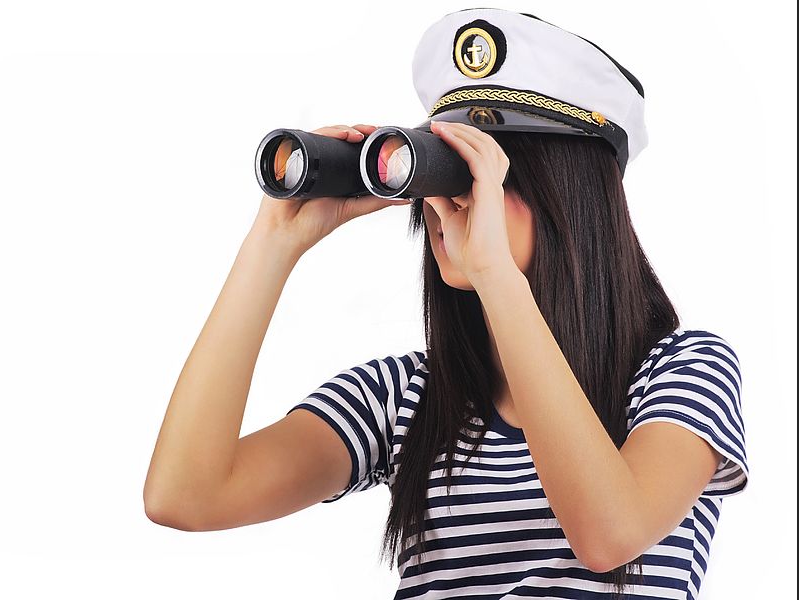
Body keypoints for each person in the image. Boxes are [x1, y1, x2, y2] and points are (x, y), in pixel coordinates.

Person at [143, 8, 749, 600]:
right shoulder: (408, 396)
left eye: (485, 177)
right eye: (446, 176)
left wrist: (496, 275)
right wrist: (272, 244)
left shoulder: (684, 371)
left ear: (573, 194)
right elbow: (186, 496)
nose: (452, 205)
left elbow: (611, 536)